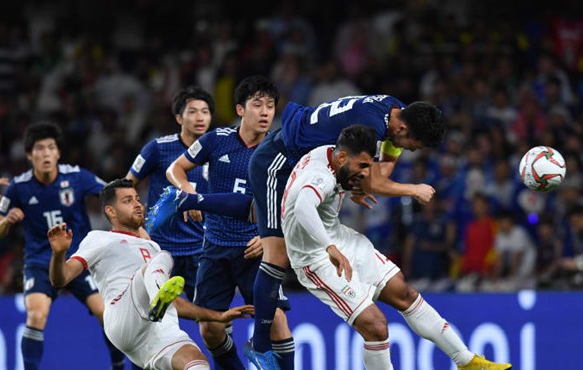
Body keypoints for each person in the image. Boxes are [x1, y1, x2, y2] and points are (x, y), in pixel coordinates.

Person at [281, 125, 512, 370]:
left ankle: (467, 362)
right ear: (341, 158)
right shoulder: (322, 175)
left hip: (338, 237)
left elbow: (325, 192)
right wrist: (330, 247)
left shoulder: (336, 157)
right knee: (376, 326)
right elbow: (303, 206)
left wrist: (349, 190)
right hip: (315, 257)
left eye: (367, 167)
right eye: (362, 167)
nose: (364, 174)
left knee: (404, 292)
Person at [247, 94, 445, 364]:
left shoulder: (393, 107)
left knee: (259, 225)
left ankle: (197, 202)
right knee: (276, 255)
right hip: (279, 160)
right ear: (402, 129)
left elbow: (377, 176)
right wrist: (412, 189)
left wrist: (357, 183)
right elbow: (374, 183)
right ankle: (259, 348)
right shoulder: (373, 127)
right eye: (412, 145)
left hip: (304, 164)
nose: (409, 150)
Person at [47, 178, 254, 370]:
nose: (138, 204)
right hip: (124, 315)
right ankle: (157, 301)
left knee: (197, 361)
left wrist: (217, 316)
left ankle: (158, 304)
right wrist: (59, 254)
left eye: (138, 199)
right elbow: (61, 278)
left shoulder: (151, 247)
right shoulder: (99, 238)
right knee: (162, 257)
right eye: (128, 201)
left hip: (158, 328)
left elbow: (172, 301)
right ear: (110, 211)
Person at [166, 75, 294, 369]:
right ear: (240, 109)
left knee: (275, 317)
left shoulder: (281, 150)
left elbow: (293, 203)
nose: (265, 112)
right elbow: (176, 169)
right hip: (214, 248)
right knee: (209, 328)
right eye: (257, 104)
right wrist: (190, 193)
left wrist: (270, 237)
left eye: (270, 106)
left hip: (257, 251)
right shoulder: (217, 140)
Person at [0, 122, 127, 369]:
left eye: (51, 147)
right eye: (39, 149)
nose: (45, 153)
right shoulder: (18, 187)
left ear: (58, 153)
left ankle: (118, 366)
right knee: (36, 314)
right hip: (40, 261)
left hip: (79, 259)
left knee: (107, 314)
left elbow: (112, 194)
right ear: (29, 155)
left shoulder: (77, 177)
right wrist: (7, 222)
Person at [127, 86, 214, 300]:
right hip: (159, 247)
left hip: (202, 248)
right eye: (192, 111)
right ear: (179, 118)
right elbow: (125, 187)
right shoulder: (158, 148)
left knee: (211, 315)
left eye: (205, 111)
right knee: (153, 314)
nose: (200, 117)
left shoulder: (218, 150)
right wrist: (137, 227)